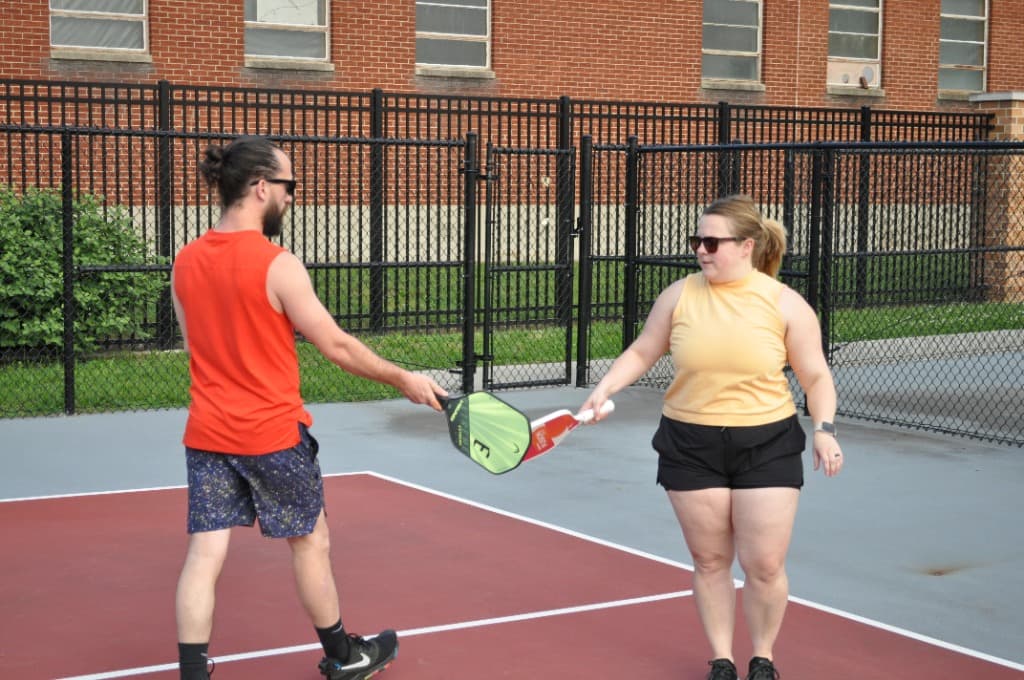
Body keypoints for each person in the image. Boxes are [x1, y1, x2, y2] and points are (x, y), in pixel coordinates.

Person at [170, 135, 445, 680]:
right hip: (272, 433)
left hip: (207, 433)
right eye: (289, 186)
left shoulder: (185, 260)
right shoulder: (277, 264)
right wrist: (403, 378)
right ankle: (344, 657)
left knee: (204, 555)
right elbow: (337, 345)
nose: (293, 197)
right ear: (259, 186)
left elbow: (192, 344)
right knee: (310, 540)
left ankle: (193, 674)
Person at [580, 194, 844, 680]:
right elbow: (643, 350)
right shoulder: (679, 295)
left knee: (763, 564)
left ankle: (762, 658)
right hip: (690, 442)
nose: (701, 249)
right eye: (696, 240)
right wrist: (604, 388)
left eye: (711, 241)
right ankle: (721, 660)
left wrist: (824, 429)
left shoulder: (785, 304)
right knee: (710, 559)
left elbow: (816, 376)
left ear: (746, 246)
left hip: (766, 441)